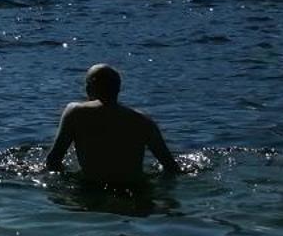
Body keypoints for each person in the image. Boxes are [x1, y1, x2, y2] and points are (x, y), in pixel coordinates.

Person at [46, 64, 181, 188]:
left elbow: (53, 160)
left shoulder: (75, 112)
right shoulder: (142, 120)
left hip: (93, 190)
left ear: (88, 88)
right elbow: (171, 167)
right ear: (118, 89)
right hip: (136, 192)